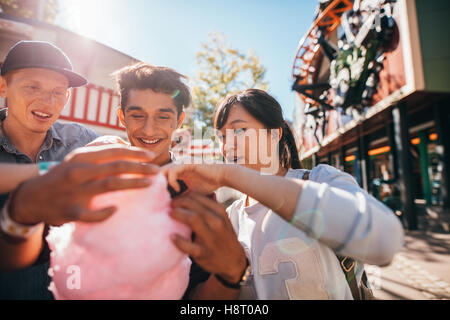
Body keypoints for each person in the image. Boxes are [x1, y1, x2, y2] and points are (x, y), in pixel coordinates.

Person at [162, 89, 405, 299]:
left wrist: (228, 175)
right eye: (222, 137)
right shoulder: (230, 218)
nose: (227, 146)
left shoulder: (321, 179)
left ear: (275, 134)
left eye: (239, 131)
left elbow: (385, 240)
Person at [0, 41, 159, 299]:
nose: (47, 101)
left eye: (58, 92)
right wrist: (53, 172)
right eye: (32, 87)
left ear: (68, 96)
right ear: (3, 86)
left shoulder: (82, 139)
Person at [76, 62, 249, 299]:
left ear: (178, 121)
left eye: (162, 116)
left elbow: (198, 294)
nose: (149, 129)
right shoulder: (98, 171)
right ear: (122, 117)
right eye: (137, 115)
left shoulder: (194, 191)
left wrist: (231, 276)